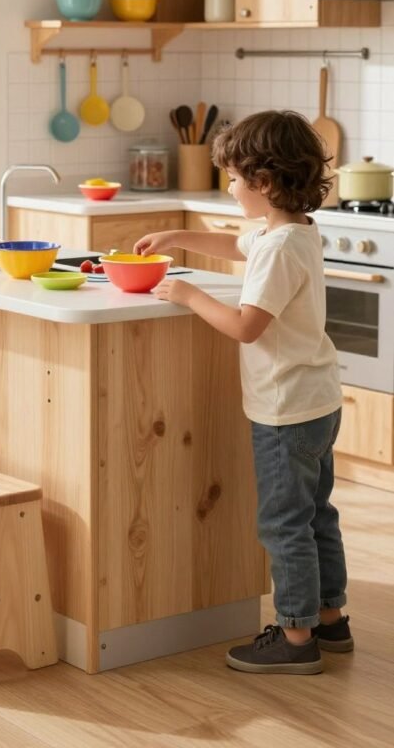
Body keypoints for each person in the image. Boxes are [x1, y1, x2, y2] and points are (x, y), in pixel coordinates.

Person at [134, 110, 353, 675]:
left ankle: (296, 635)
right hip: (317, 399)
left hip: (285, 410)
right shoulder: (291, 229)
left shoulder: (280, 248)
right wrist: (178, 237)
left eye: (233, 178)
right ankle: (330, 621)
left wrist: (187, 296)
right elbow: (238, 246)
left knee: (284, 523)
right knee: (315, 514)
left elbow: (245, 326)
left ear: (264, 182)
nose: (228, 188)